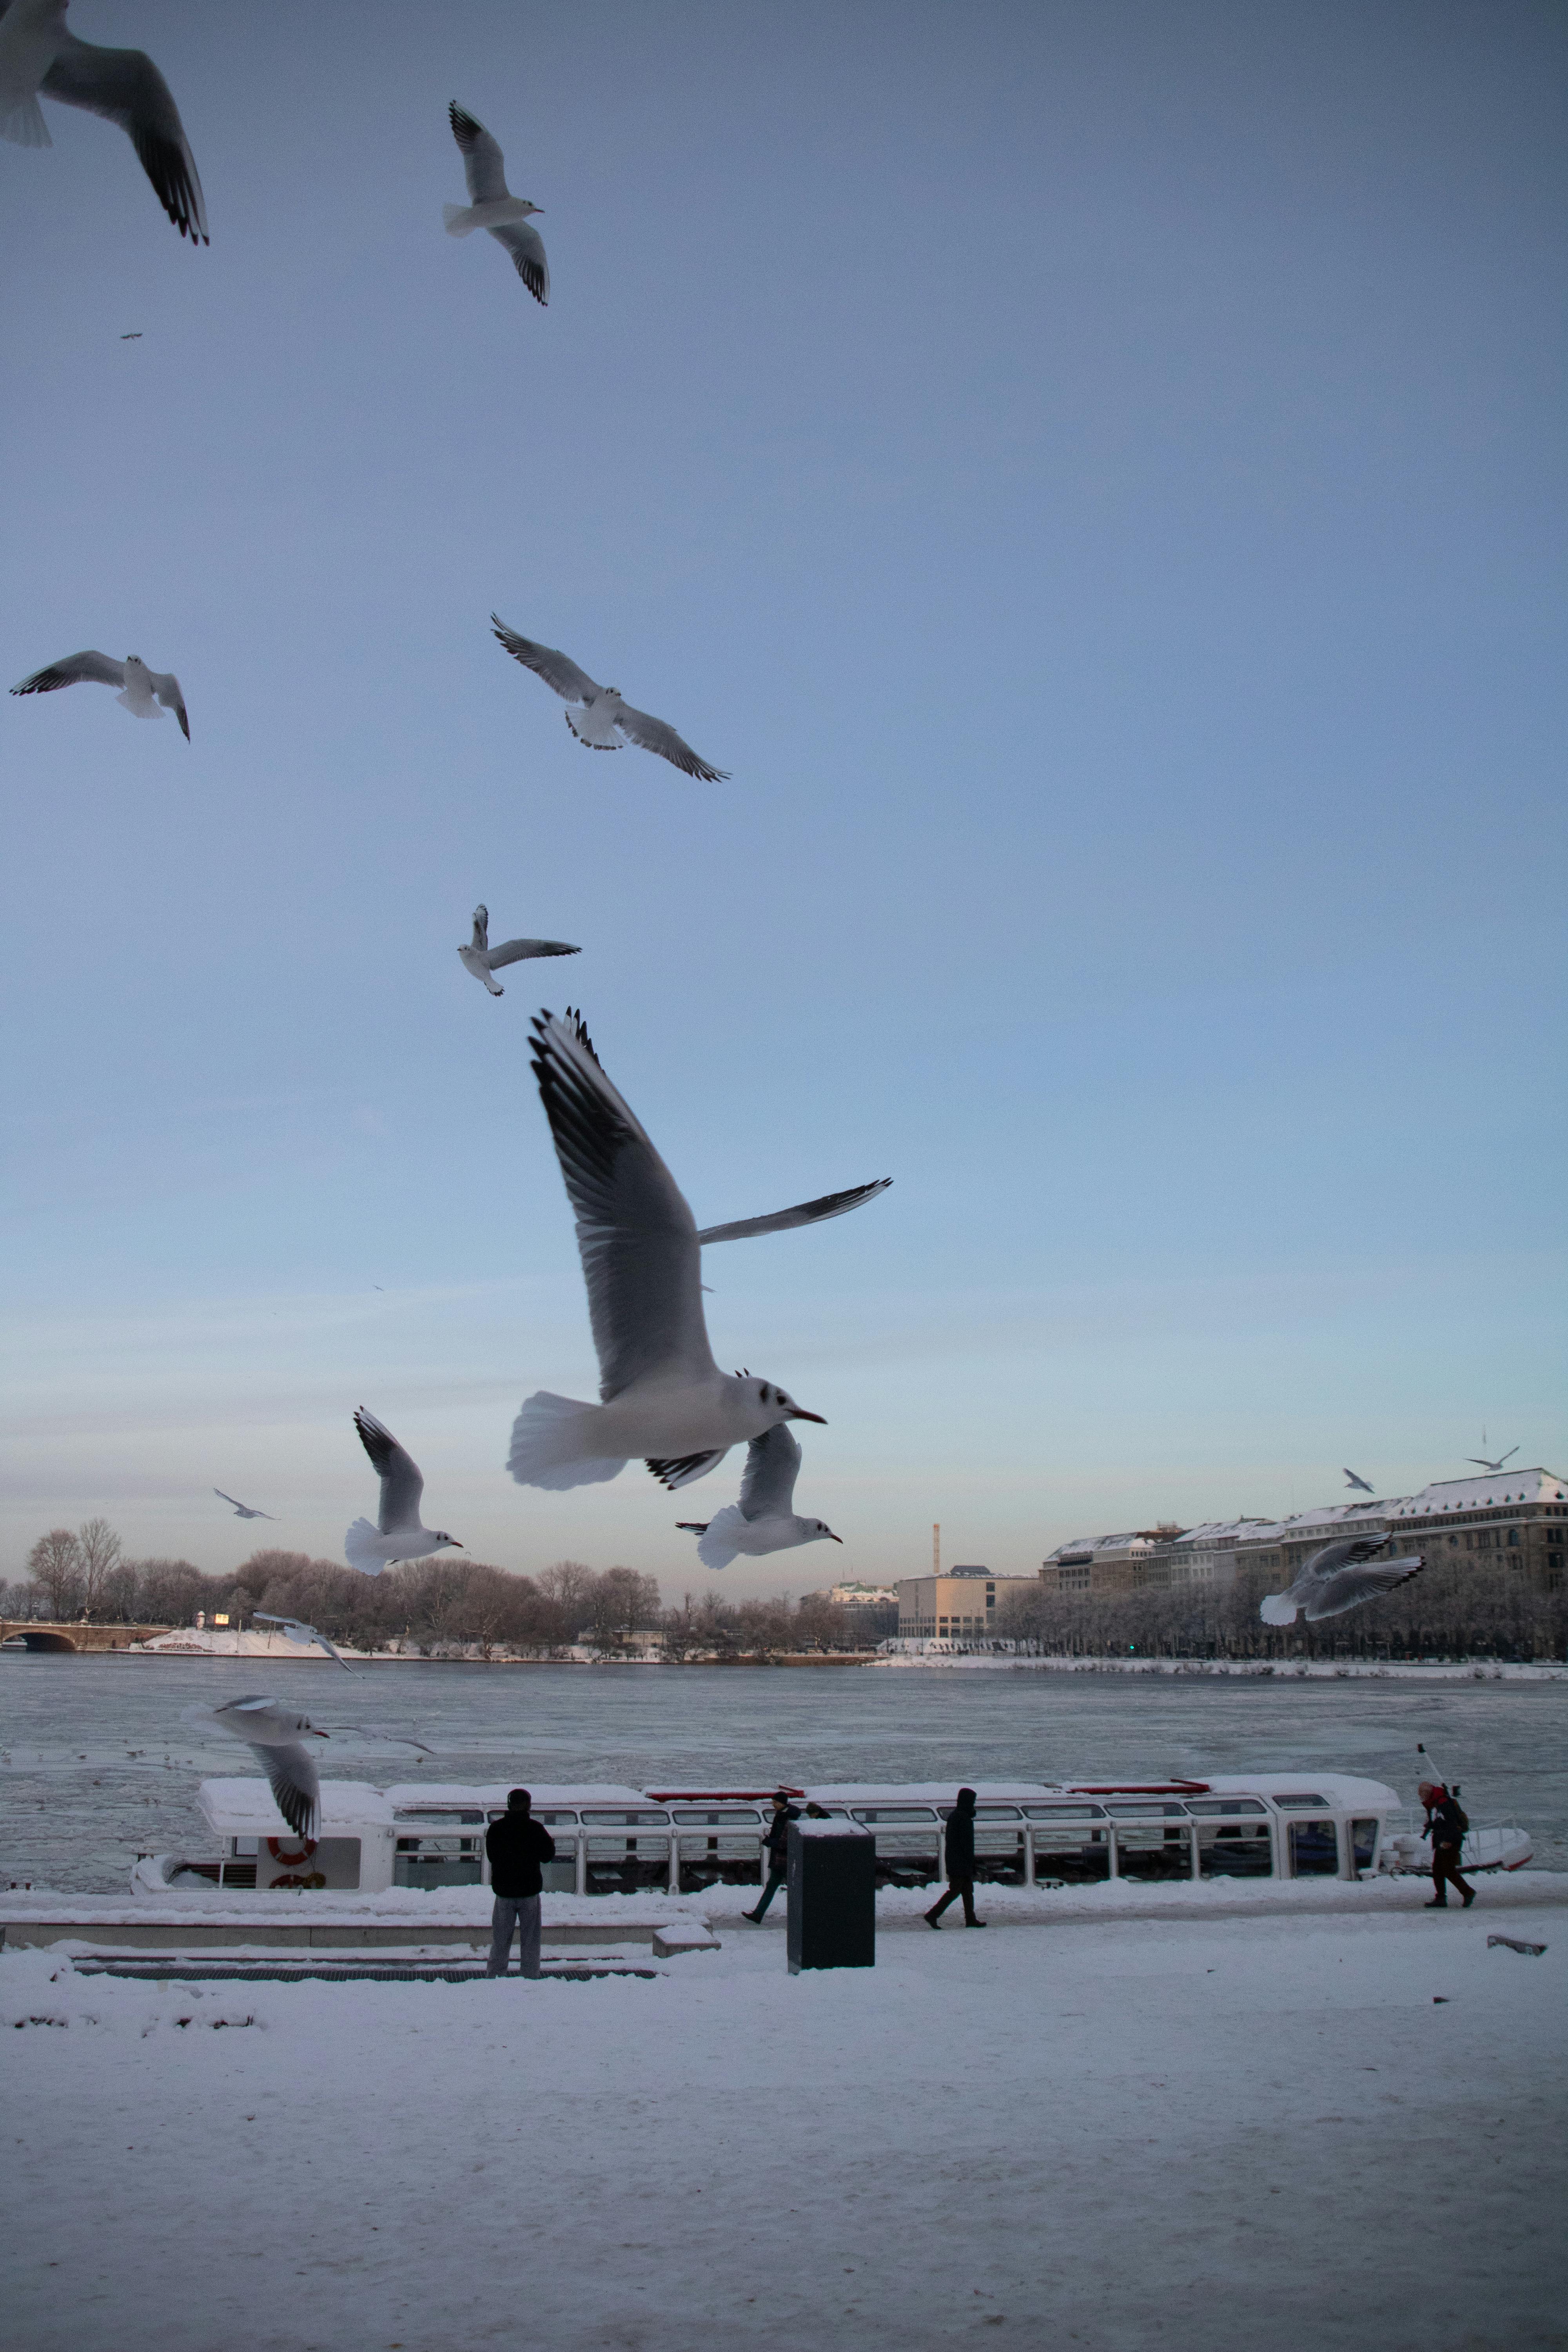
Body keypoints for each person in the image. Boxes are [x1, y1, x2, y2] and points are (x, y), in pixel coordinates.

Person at [486, 1788, 557, 1976]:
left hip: (504, 1893)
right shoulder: (535, 1828)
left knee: (500, 1940)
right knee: (531, 1941)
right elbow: (547, 1856)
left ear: (509, 1805)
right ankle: (530, 1976)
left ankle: (494, 1976)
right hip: (529, 1892)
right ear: (529, 1806)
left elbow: (492, 1857)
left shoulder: (496, 1828)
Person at [926, 1787, 986, 1927]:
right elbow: (967, 1844)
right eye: (973, 1801)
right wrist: (971, 1862)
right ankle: (932, 1915)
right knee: (956, 1891)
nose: (974, 1804)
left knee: (966, 1891)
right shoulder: (964, 1818)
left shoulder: (955, 1816)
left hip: (955, 1861)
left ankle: (971, 1919)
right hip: (961, 1863)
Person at [743, 1789, 800, 1922]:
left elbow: (785, 1842)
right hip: (780, 1860)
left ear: (781, 1803)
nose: (773, 1804)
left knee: (795, 1888)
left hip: (785, 1859)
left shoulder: (788, 1818)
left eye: (775, 1802)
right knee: (773, 1886)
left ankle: (803, 1915)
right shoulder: (781, 1815)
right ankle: (758, 1914)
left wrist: (769, 1841)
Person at [1418, 1779, 1475, 1909]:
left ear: (1427, 1793)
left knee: (1448, 1870)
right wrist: (1427, 1830)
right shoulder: (1434, 1802)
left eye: (1421, 1794)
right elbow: (1437, 1821)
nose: (1420, 1797)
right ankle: (1441, 1898)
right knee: (1437, 1869)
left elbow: (1451, 1822)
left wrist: (1449, 1841)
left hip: (1450, 1840)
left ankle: (1468, 1892)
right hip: (1442, 1840)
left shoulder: (1442, 1802)